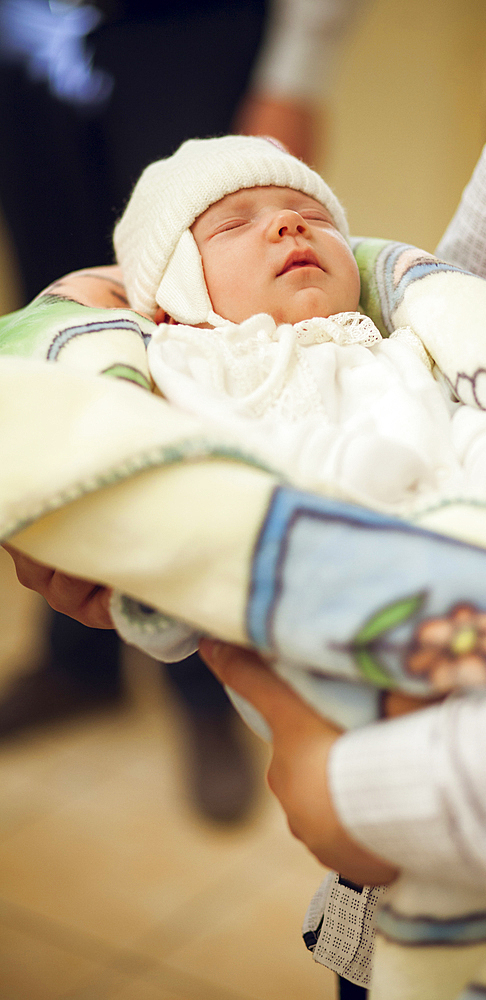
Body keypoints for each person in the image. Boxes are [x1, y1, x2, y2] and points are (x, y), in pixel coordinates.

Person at [193, 1, 486, 995]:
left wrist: (356, 794)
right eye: (232, 225)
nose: (284, 225)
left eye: (306, 212)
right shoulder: (211, 370)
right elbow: (466, 285)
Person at [0, 0, 357, 823]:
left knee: (210, 280)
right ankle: (79, 655)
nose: (290, 228)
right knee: (63, 310)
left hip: (188, 25)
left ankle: (205, 685)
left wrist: (296, 67)